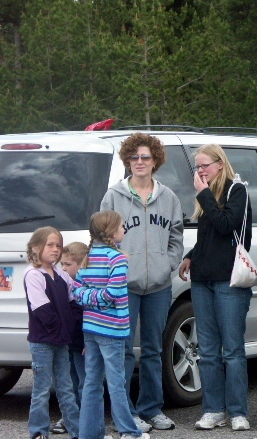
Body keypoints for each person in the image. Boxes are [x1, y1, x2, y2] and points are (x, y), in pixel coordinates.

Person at [100, 133, 184, 432]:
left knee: (153, 349)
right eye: (134, 157)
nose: (139, 162)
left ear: (155, 161)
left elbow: (176, 236)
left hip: (159, 285)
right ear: (127, 160)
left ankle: (152, 408)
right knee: (122, 350)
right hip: (123, 286)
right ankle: (126, 413)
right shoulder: (113, 196)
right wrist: (116, 270)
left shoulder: (168, 197)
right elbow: (102, 237)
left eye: (145, 157)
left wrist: (167, 265)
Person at [178, 144, 252, 432]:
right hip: (203, 279)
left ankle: (238, 411)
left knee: (232, 350)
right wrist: (191, 255)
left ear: (220, 164)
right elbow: (208, 236)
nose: (200, 171)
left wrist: (204, 194)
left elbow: (225, 225)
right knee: (207, 350)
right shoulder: (205, 196)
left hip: (228, 279)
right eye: (197, 167)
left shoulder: (237, 190)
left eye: (205, 165)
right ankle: (212, 409)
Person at [74, 211, 150, 439]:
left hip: (91, 327)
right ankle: (128, 431)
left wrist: (90, 298)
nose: (124, 230)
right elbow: (113, 294)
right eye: (122, 226)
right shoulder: (117, 258)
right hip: (112, 329)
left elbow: (77, 291)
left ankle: (89, 434)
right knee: (117, 381)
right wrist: (100, 298)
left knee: (92, 382)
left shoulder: (87, 257)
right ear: (111, 231)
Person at [24, 226, 81, 439]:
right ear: (35, 247)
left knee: (66, 388)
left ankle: (77, 431)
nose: (55, 249)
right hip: (43, 342)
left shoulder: (61, 274)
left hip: (61, 341)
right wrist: (60, 329)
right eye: (50, 245)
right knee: (41, 389)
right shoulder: (33, 274)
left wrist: (71, 326)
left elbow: (74, 299)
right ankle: (39, 431)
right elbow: (42, 310)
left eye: (58, 245)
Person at [51, 242, 89, 435]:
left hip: (83, 343)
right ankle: (70, 417)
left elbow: (89, 316)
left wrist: (88, 341)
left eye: (68, 264)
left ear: (82, 265)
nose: (64, 268)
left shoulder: (85, 287)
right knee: (69, 382)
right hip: (68, 342)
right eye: (62, 264)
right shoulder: (63, 285)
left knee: (84, 382)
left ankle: (85, 418)